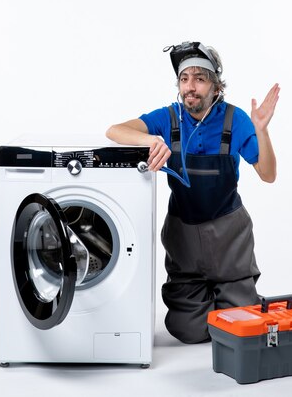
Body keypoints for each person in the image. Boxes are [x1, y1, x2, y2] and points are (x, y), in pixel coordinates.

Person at [106, 41, 279, 344]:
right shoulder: (168, 118)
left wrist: (261, 131)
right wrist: (150, 141)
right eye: (185, 79)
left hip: (229, 235)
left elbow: (268, 174)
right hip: (183, 233)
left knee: (240, 327)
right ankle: (213, 302)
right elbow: (114, 130)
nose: (191, 87)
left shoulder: (234, 119)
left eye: (200, 78)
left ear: (215, 86)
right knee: (187, 331)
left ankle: (235, 294)